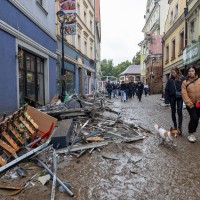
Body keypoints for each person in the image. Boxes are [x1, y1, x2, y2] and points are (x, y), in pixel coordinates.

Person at [182, 65, 200, 142]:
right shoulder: (185, 82)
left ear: (195, 71)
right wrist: (190, 104)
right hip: (190, 104)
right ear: (187, 72)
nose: (191, 72)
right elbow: (184, 94)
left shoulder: (199, 80)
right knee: (194, 118)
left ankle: (193, 132)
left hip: (199, 103)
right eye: (189, 71)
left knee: (197, 118)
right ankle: (190, 134)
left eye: (192, 71)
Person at [165, 67, 185, 133]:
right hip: (172, 97)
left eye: (174, 72)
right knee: (173, 112)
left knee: (179, 111)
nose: (172, 74)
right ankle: (175, 125)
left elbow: (185, 87)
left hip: (180, 97)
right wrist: (166, 99)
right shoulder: (170, 80)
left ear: (177, 72)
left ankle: (180, 127)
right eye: (172, 73)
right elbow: (166, 89)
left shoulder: (182, 78)